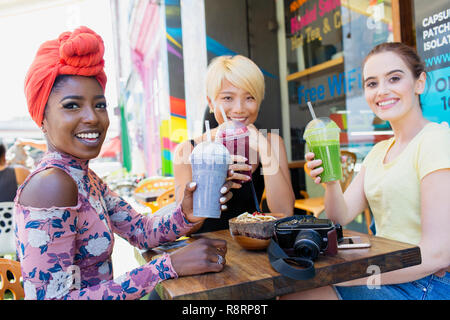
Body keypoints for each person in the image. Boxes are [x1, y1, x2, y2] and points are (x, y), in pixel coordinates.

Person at [15, 26, 234, 300]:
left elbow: (140, 231)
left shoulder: (84, 178)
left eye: (99, 105)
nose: (92, 117)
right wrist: (165, 267)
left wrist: (186, 215)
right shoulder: (52, 184)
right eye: (72, 105)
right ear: (42, 119)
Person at [281, 42, 450, 300]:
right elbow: (340, 215)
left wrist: (353, 275)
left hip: (424, 283)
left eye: (394, 78)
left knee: (300, 292)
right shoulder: (378, 152)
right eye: (372, 83)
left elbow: (438, 253)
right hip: (390, 271)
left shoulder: (436, 140)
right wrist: (331, 181)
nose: (382, 91)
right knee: (295, 289)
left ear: (419, 83)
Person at [174, 55, 295, 234]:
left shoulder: (272, 142)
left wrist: (266, 152)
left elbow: (285, 213)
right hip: (207, 252)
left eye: (250, 97)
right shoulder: (189, 150)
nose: (239, 108)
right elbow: (185, 226)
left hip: (255, 247)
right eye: (228, 98)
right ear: (211, 103)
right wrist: (213, 180)